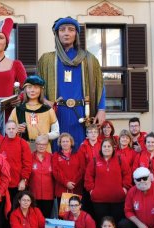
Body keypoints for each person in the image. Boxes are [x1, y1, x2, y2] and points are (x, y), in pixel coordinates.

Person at [37, 16, 105, 150]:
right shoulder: (47, 60)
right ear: (57, 34)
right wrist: (44, 100)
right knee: (57, 151)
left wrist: (102, 109)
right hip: (56, 113)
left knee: (81, 151)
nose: (66, 33)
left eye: (71, 29)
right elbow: (34, 87)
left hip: (81, 114)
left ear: (76, 34)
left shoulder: (89, 59)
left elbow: (100, 85)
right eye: (62, 30)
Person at [85, 138, 132, 225]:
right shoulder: (95, 160)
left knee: (116, 223)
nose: (106, 148)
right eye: (104, 146)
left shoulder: (120, 159)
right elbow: (88, 176)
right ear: (101, 148)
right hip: (99, 200)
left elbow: (127, 174)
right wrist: (91, 191)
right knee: (102, 224)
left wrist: (124, 189)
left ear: (113, 148)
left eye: (109, 146)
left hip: (117, 199)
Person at [9, 75, 59, 152]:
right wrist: (16, 130)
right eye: (29, 87)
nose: (32, 90)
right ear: (25, 90)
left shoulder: (48, 110)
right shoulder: (17, 110)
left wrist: (46, 136)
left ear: (41, 90)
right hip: (23, 149)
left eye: (36, 87)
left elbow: (56, 132)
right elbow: (8, 131)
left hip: (44, 149)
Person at [0, 120, 32, 205]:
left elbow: (27, 163)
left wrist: (23, 180)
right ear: (5, 130)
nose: (11, 130)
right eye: (9, 128)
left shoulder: (23, 143)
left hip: (18, 183)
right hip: (3, 183)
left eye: (13, 128)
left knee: (16, 208)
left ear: (17, 130)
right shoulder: (0, 143)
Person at [52, 133, 86, 204]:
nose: (65, 143)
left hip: (76, 188)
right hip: (61, 190)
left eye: (67, 141)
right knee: (63, 214)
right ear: (60, 143)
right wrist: (66, 183)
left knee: (75, 213)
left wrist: (74, 182)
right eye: (63, 141)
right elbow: (56, 171)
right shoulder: (55, 155)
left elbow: (82, 169)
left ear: (71, 142)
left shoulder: (79, 154)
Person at [29, 135, 55, 218]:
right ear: (35, 145)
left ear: (47, 145)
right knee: (34, 218)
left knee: (46, 218)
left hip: (48, 195)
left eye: (43, 144)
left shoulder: (52, 157)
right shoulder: (30, 157)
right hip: (33, 194)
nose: (41, 146)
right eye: (39, 144)